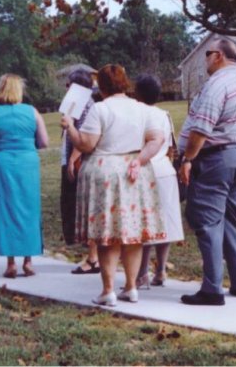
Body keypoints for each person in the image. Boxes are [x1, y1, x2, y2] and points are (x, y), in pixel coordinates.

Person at [61, 64, 165, 306]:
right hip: (134, 173)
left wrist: (70, 127)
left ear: (103, 86)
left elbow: (86, 144)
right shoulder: (141, 109)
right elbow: (157, 139)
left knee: (107, 234)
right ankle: (130, 287)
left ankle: (108, 290)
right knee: (133, 233)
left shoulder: (100, 109)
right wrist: (140, 159)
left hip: (105, 172)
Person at [178, 38, 236, 306]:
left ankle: (212, 289)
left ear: (219, 56)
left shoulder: (216, 86)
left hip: (216, 159)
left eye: (208, 53)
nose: (205, 59)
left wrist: (187, 158)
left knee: (207, 220)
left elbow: (201, 130)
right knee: (233, 217)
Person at [0, 74, 49, 278]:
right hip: (27, 162)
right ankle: (28, 261)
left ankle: (10, 263)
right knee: (29, 209)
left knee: (5, 209)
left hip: (2, 163)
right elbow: (44, 142)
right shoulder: (32, 112)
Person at [133, 74, 184, 288]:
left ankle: (142, 272)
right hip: (165, 169)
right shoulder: (165, 114)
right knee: (166, 222)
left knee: (144, 223)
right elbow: (172, 146)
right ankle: (161, 270)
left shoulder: (136, 114)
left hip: (145, 169)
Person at [59, 70, 100, 275]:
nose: (66, 89)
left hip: (80, 161)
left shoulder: (87, 105)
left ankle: (93, 257)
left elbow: (84, 135)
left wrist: (73, 160)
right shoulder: (74, 105)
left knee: (82, 207)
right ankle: (90, 253)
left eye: (68, 85)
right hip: (70, 158)